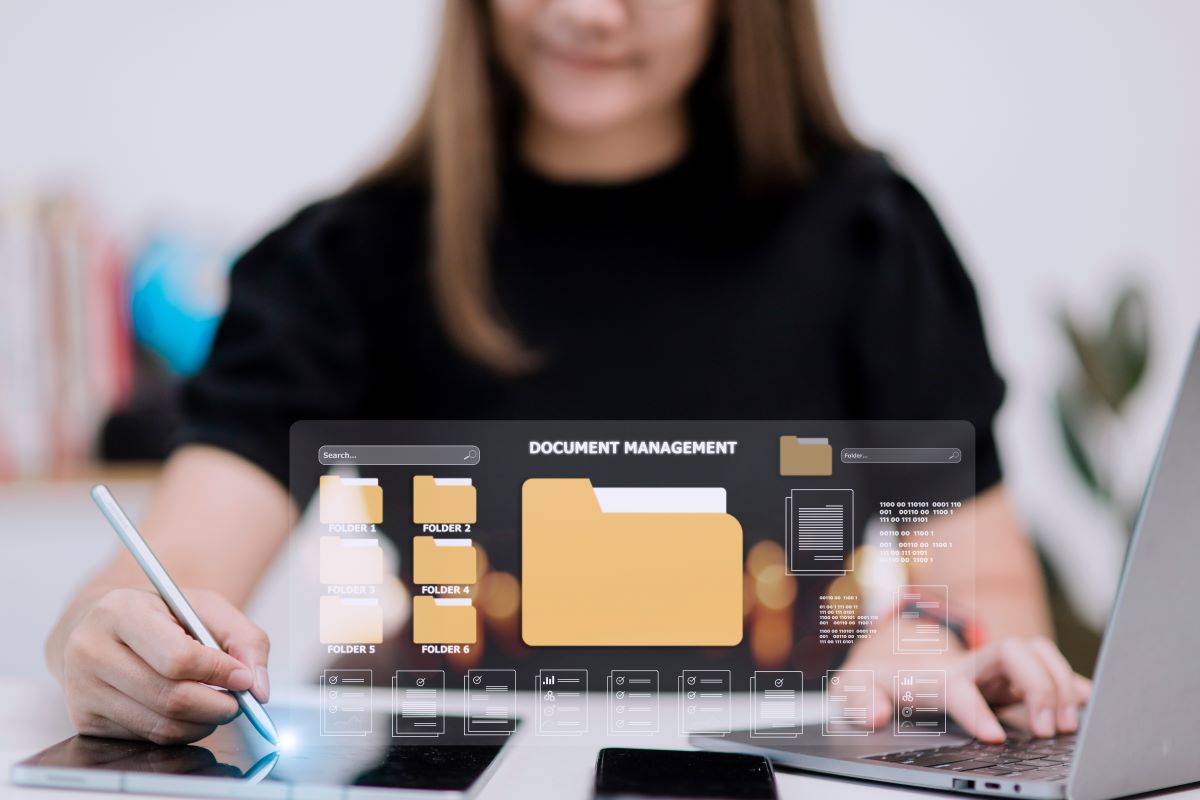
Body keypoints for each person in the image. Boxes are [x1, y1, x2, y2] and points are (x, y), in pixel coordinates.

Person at [46, 0, 1088, 746]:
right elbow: (173, 558)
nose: (591, 12)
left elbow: (989, 584)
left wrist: (936, 629)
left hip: (800, 766)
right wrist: (110, 638)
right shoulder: (344, 256)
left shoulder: (872, 234)